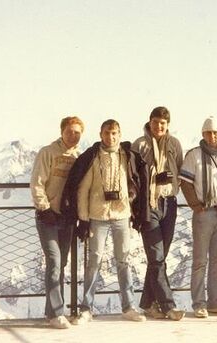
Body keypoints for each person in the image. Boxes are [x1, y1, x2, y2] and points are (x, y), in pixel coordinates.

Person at [62, 119, 149, 325]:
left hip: (122, 215)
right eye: (107, 133)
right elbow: (82, 190)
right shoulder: (93, 157)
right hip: (98, 216)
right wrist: (83, 220)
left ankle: (129, 307)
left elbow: (136, 182)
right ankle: (86, 309)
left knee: (124, 261)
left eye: (115, 133)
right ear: (101, 134)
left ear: (120, 134)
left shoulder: (127, 156)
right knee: (94, 261)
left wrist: (132, 201)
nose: (111, 137)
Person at [179, 116, 217, 318]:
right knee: (200, 260)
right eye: (208, 132)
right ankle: (199, 303)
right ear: (203, 134)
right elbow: (185, 182)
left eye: (215, 132)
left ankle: (216, 302)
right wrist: (195, 204)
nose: (212, 136)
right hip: (203, 213)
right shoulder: (194, 156)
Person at [30, 116, 84, 329]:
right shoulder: (48, 153)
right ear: (62, 131)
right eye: (70, 131)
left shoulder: (79, 156)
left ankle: (50, 311)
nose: (73, 135)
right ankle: (57, 313)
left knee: (60, 264)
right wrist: (44, 208)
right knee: (54, 261)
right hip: (49, 217)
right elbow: (37, 182)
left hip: (68, 217)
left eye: (77, 132)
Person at [131, 106, 185, 320]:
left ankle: (147, 304)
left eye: (163, 123)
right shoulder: (140, 144)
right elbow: (132, 175)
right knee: (156, 256)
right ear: (149, 122)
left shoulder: (174, 144)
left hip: (169, 203)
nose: (159, 126)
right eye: (156, 122)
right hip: (149, 203)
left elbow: (179, 168)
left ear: (167, 124)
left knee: (159, 258)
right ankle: (168, 306)